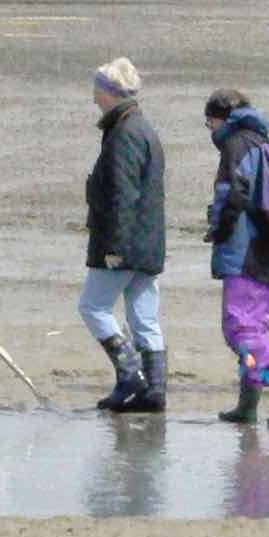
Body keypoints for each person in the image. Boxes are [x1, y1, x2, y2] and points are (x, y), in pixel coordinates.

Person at [202, 89, 269, 425]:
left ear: (220, 118)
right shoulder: (265, 142)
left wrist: (217, 228)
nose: (209, 129)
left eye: (209, 122)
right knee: (253, 328)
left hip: (245, 249)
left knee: (241, 330)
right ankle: (248, 402)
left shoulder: (237, 145)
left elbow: (231, 193)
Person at [83, 58, 168, 412]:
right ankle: (155, 390)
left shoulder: (127, 132)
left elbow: (124, 192)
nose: (94, 97)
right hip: (147, 242)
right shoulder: (138, 127)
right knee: (143, 316)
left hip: (128, 242)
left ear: (112, 93)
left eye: (98, 90)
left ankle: (131, 376)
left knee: (93, 306)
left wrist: (115, 246)